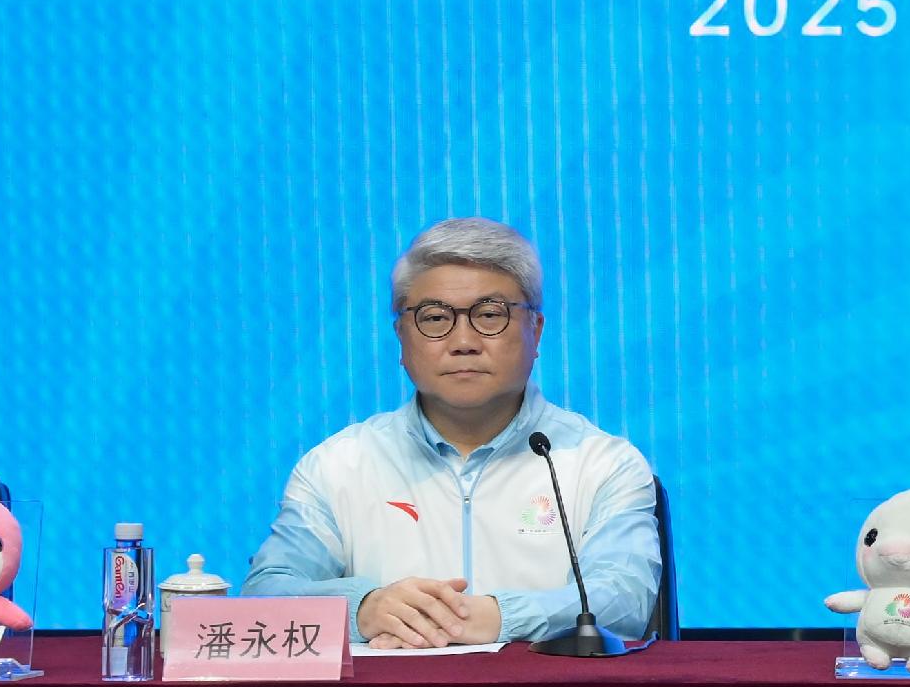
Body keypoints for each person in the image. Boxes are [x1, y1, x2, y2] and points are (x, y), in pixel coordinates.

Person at [247, 218, 661, 648]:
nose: (463, 341)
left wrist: (497, 616)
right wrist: (363, 608)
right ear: (402, 338)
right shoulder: (337, 467)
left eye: (488, 315)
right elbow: (263, 595)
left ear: (535, 331)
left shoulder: (602, 463)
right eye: (435, 318)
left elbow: (624, 600)